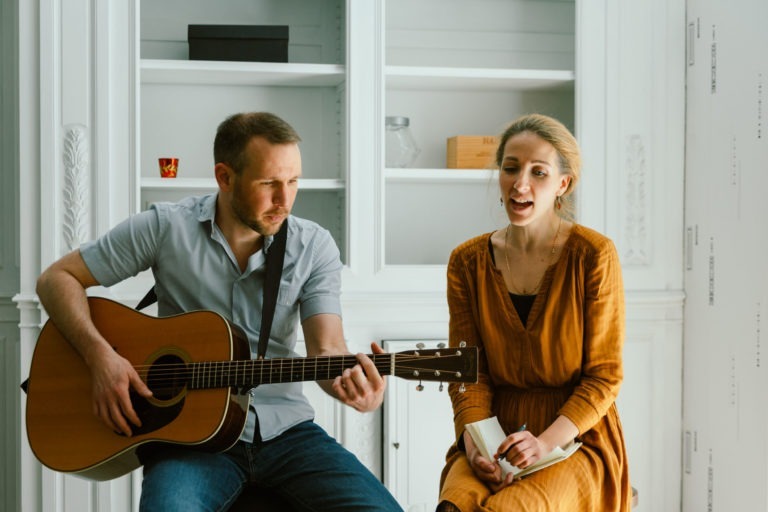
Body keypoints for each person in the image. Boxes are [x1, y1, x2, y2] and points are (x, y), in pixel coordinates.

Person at [36, 111, 403, 512]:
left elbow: (326, 349)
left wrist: (355, 387)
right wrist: (99, 357)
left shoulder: (313, 246)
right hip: (191, 442)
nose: (285, 200)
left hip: (289, 434)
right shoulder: (165, 228)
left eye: (294, 181)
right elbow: (57, 279)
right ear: (225, 177)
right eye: (269, 183)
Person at [436, 114, 632, 511]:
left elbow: (604, 376)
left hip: (575, 438)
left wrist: (542, 443)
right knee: (454, 506)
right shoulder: (466, 261)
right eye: (510, 168)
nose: (520, 184)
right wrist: (476, 446)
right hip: (493, 431)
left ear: (563, 184)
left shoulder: (594, 256)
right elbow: (468, 371)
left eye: (538, 172)